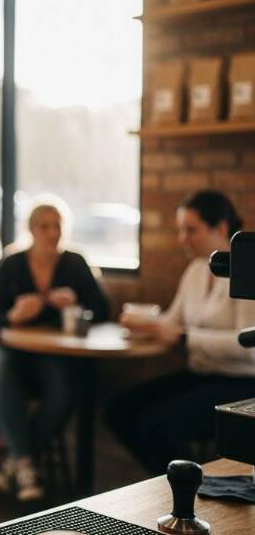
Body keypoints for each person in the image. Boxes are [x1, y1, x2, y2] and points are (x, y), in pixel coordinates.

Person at [107, 190, 255, 476]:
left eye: (191, 230)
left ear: (220, 228)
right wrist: (143, 324)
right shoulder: (196, 270)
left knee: (156, 425)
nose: (182, 238)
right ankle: (174, 482)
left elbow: (248, 346)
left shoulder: (247, 272)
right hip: (201, 375)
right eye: (181, 230)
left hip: (241, 383)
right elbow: (172, 321)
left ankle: (197, 485)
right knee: (119, 410)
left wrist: (184, 337)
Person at [0, 199, 109, 501]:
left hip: (44, 354)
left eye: (57, 225)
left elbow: (102, 309)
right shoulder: (12, 264)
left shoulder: (75, 263)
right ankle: (24, 463)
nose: (52, 233)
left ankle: (18, 461)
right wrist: (13, 315)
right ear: (31, 229)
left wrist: (76, 302)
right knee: (4, 371)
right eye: (45, 226)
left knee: (64, 391)